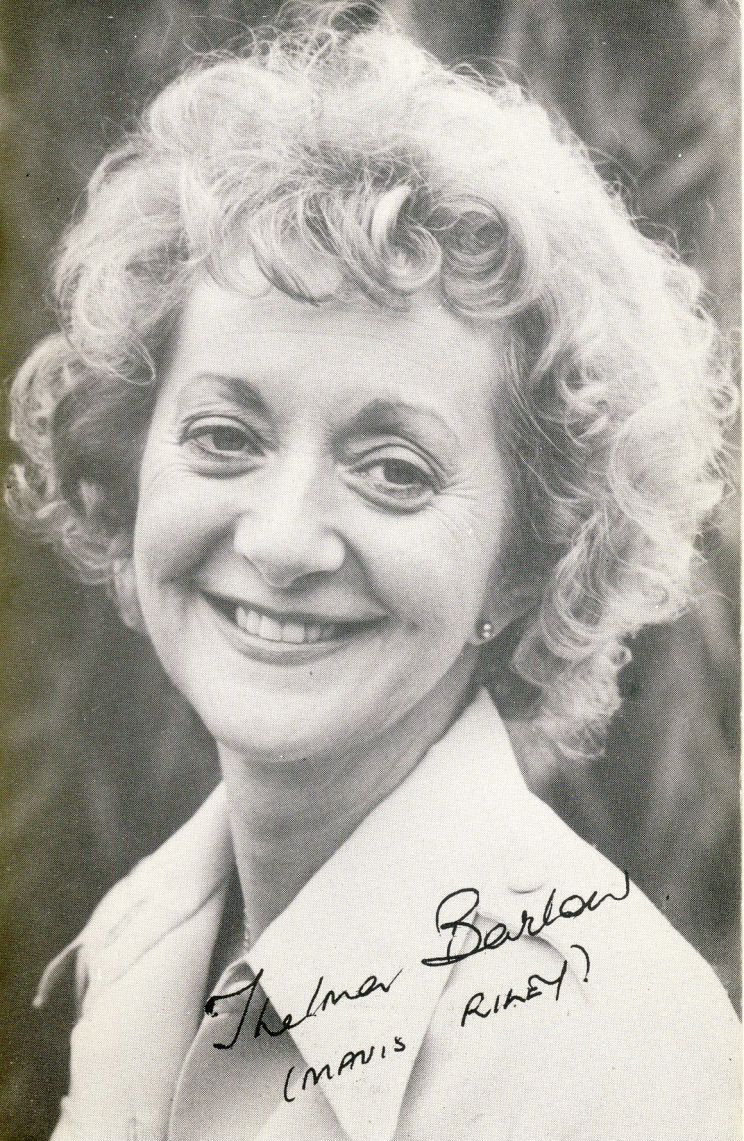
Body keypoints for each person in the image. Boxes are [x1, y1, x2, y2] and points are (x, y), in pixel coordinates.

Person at [7, 5, 739, 1139]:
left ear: (527, 563)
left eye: (394, 469)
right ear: (131, 463)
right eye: (225, 437)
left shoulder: (613, 1052)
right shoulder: (140, 939)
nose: (280, 539)